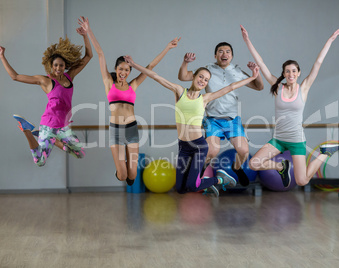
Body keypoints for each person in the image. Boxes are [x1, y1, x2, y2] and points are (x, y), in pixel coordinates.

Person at [124, 55, 260, 196]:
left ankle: (220, 179)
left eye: (206, 80)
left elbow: (231, 87)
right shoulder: (179, 91)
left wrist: (252, 77)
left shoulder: (205, 98)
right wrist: (134, 64)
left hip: (198, 146)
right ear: (194, 76)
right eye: (201, 77)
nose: (202, 81)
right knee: (181, 189)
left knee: (193, 186)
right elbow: (155, 76)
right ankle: (206, 183)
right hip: (183, 146)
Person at [78, 17, 180, 186]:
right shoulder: (108, 83)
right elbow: (100, 54)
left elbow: (150, 67)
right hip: (116, 130)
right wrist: (88, 31)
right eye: (120, 69)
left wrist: (167, 48)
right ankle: (120, 170)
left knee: (133, 175)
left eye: (126, 69)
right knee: (124, 175)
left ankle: (126, 168)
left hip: (132, 129)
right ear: (116, 69)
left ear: (130, 71)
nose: (123, 72)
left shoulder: (133, 85)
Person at [241, 25, 339, 187]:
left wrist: (330, 40)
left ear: (299, 73)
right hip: (279, 139)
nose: (291, 74)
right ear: (284, 74)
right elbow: (260, 62)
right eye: (287, 71)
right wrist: (247, 40)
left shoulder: (303, 88)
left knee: (302, 181)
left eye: (294, 71)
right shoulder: (277, 88)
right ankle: (281, 167)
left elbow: (318, 63)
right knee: (254, 163)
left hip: (296, 140)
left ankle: (325, 153)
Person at [0, 19, 93, 167]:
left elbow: (88, 56)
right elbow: (15, 77)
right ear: (51, 65)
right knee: (40, 161)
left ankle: (46, 138)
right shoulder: (46, 81)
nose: (58, 68)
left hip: (63, 127)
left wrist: (85, 35)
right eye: (55, 65)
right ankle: (28, 130)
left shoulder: (70, 76)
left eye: (61, 65)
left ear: (65, 66)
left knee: (79, 152)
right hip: (49, 125)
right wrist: (2, 56)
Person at [178, 43, 264, 187]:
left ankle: (237, 168)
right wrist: (185, 62)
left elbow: (259, 86)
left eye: (228, 51)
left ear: (231, 55)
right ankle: (202, 168)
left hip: (232, 119)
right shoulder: (208, 70)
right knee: (212, 151)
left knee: (243, 150)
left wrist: (256, 72)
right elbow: (183, 76)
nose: (224, 54)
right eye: (221, 51)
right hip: (213, 119)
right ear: (215, 55)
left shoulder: (237, 71)